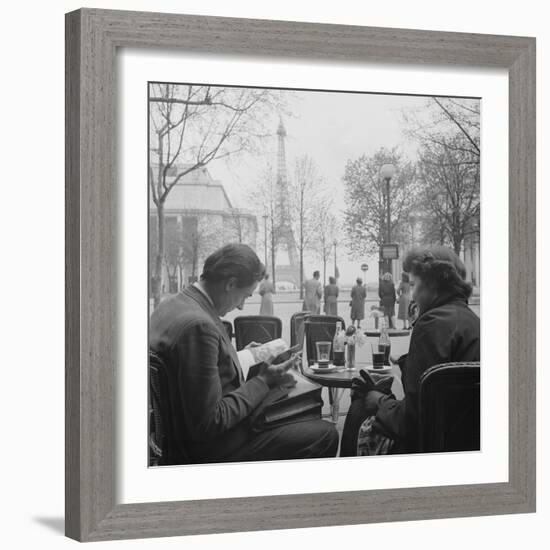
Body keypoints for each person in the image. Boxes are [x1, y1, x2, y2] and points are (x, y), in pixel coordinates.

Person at [149, 244, 338, 464]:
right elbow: (210, 422)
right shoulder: (199, 326)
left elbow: (193, 375)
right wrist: (263, 381)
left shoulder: (172, 304)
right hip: (211, 448)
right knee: (323, 432)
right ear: (230, 284)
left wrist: (242, 356)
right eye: (244, 296)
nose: (241, 306)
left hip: (176, 436)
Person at [341, 246, 480, 456]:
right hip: (464, 441)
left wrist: (378, 400)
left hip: (427, 445)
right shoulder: (471, 320)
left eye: (414, 285)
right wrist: (407, 364)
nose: (412, 295)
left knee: (360, 406)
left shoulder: (430, 324)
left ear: (433, 285)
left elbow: (412, 422)